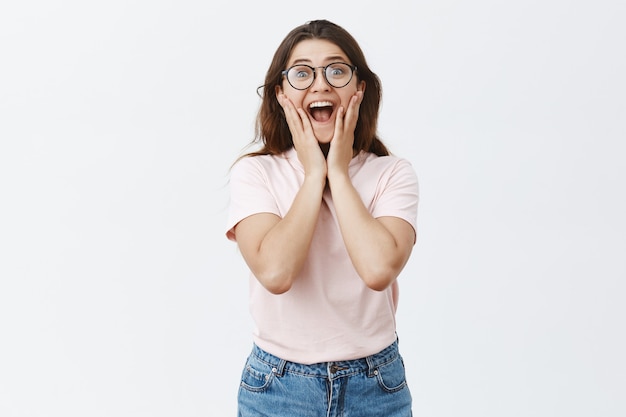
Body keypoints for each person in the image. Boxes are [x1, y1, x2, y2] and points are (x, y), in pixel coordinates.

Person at [225, 19, 419, 417]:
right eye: (302, 73)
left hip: (376, 386)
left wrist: (339, 174)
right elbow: (276, 274)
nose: (320, 84)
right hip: (277, 387)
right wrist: (314, 174)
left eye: (337, 70)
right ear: (281, 93)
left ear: (359, 88)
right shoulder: (256, 173)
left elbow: (378, 269)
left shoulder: (392, 173)